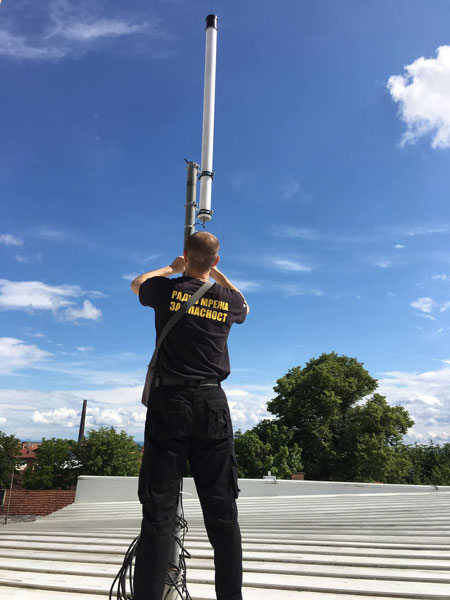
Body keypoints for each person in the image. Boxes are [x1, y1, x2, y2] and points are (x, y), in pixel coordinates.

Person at [130, 231, 249, 600]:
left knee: (159, 512)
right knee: (223, 513)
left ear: (186, 255)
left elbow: (137, 284)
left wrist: (171, 268)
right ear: (216, 261)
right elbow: (245, 305)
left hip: (170, 402)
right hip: (213, 404)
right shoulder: (227, 298)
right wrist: (218, 274)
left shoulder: (168, 288)